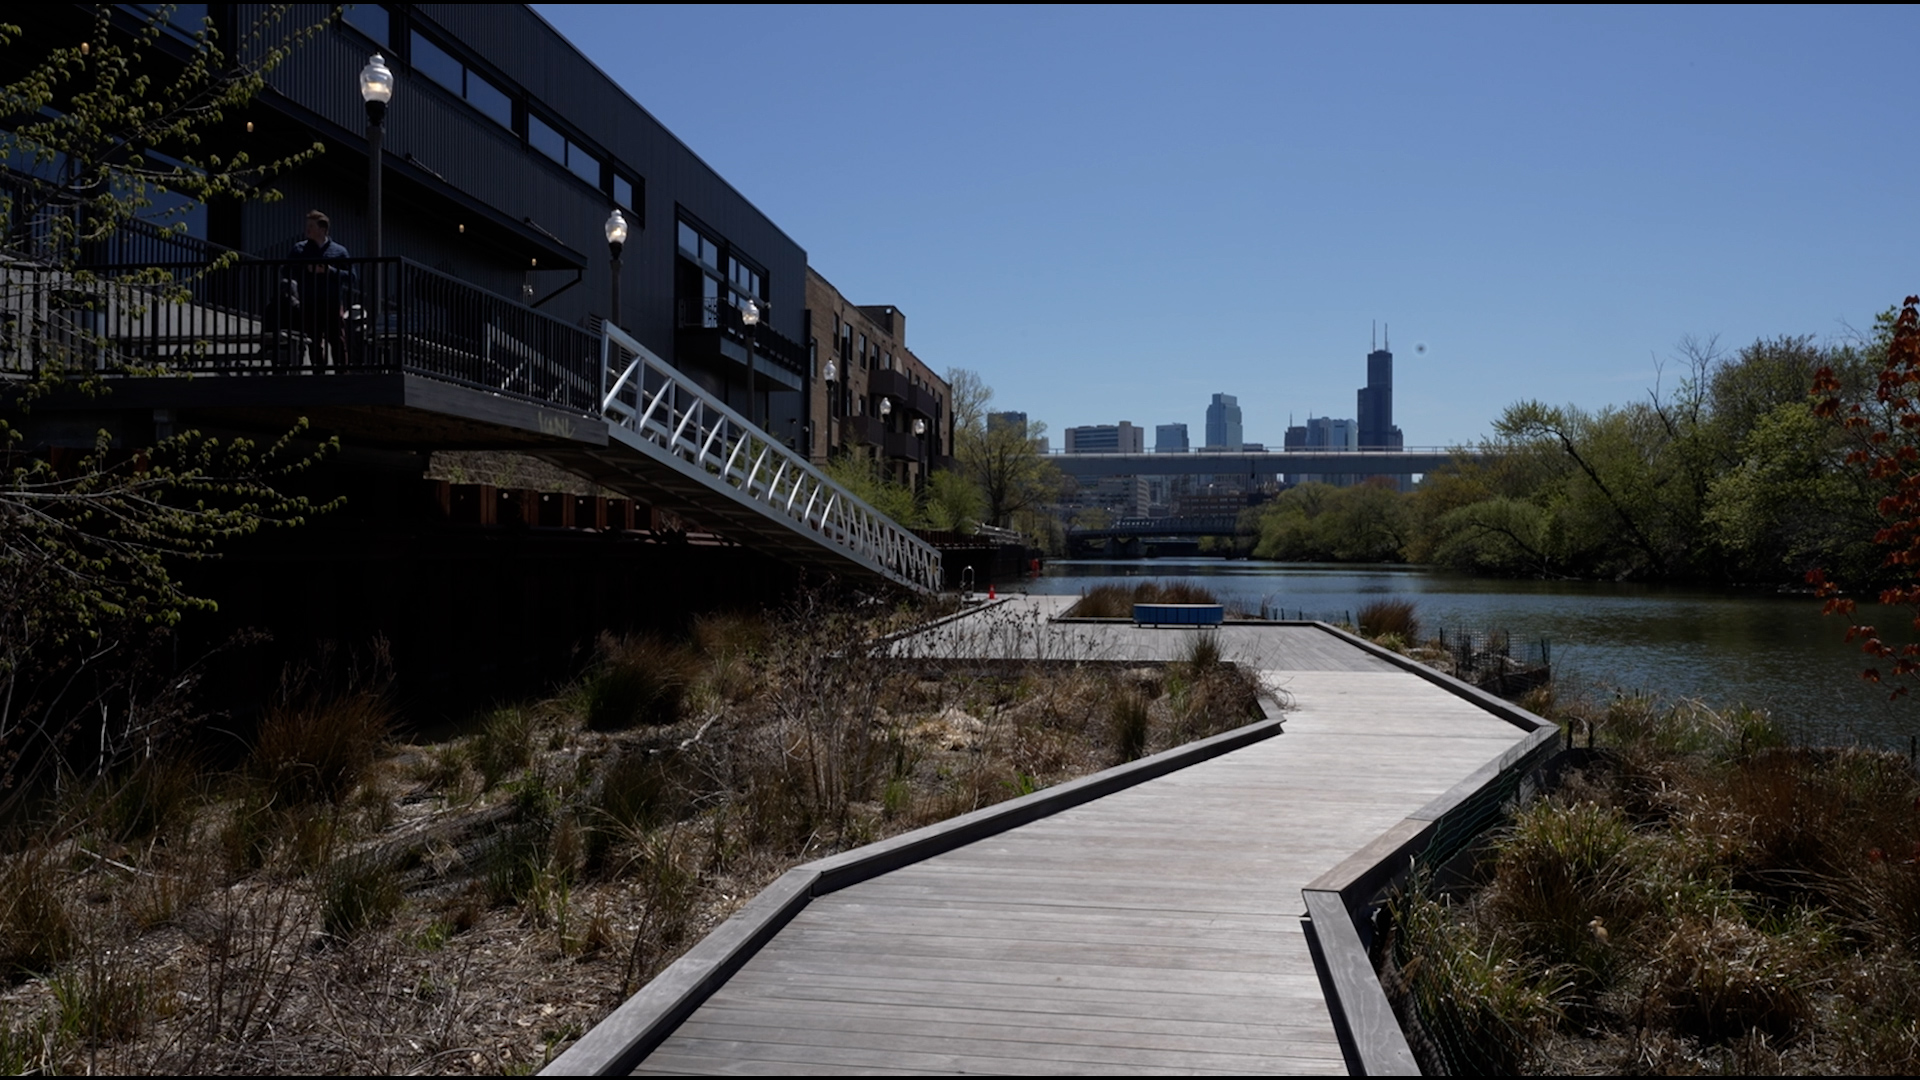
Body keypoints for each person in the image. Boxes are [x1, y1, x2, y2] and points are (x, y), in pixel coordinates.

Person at [288, 210, 352, 370]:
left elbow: (351, 277)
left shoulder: (339, 251)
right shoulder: (299, 249)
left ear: (322, 229)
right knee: (313, 339)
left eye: (311, 226)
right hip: (310, 301)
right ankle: (319, 371)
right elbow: (287, 270)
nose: (307, 229)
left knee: (337, 338)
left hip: (332, 301)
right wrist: (306, 269)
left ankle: (341, 372)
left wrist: (329, 271)